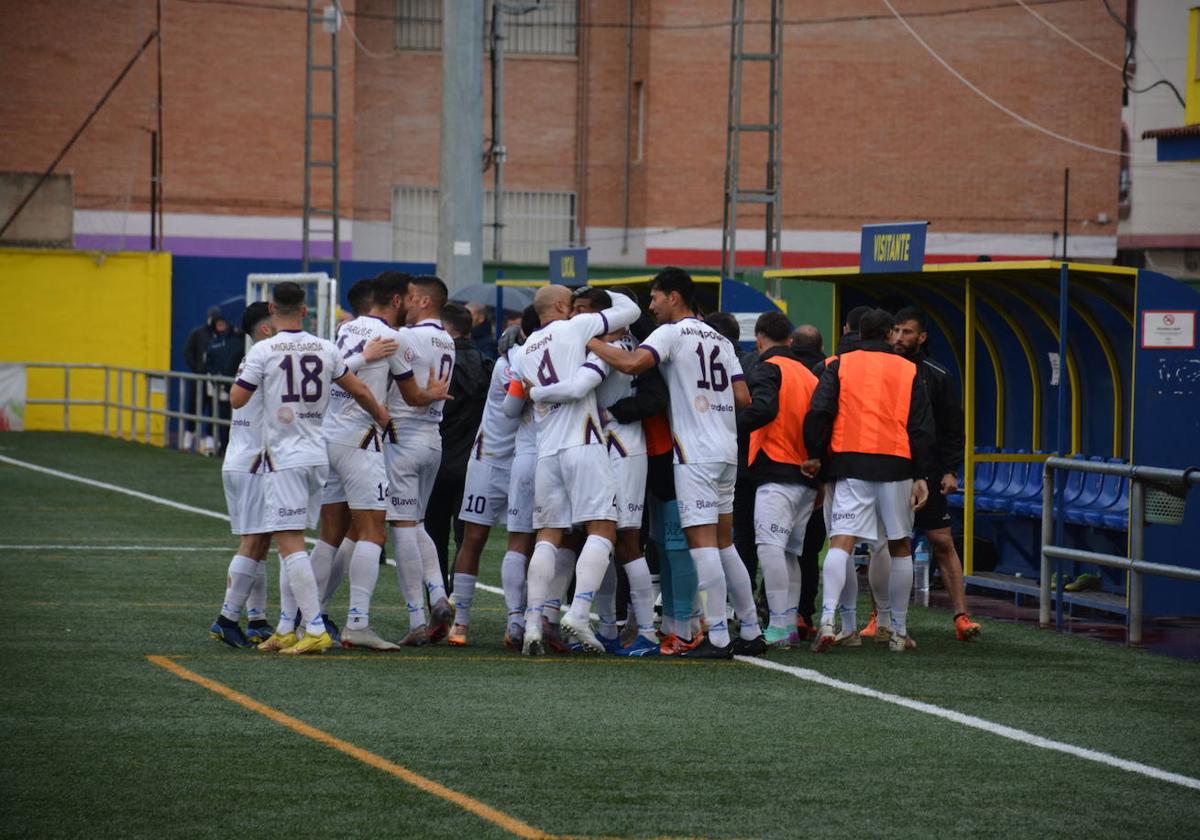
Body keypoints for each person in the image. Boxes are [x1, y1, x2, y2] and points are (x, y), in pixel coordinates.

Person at [586, 267, 765, 659]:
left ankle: (718, 637)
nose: (651, 305)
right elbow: (744, 398)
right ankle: (751, 629)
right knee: (724, 542)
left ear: (674, 297)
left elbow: (633, 365)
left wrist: (592, 343)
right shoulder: (722, 339)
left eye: (654, 297)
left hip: (695, 453)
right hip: (725, 448)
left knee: (701, 544)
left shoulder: (670, 333)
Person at [229, 281, 391, 655]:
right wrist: (382, 417)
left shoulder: (264, 350)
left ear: (271, 309)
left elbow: (238, 399)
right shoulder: (326, 348)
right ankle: (287, 626)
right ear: (305, 310)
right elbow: (361, 391)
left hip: (283, 456)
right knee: (296, 543)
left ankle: (314, 626)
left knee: (290, 545)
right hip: (316, 454)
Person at [509, 284, 641, 655]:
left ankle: (533, 623)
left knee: (548, 535)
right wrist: (606, 292)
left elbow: (516, 400)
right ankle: (579, 612)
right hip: (582, 442)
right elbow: (630, 309)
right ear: (564, 306)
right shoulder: (575, 328)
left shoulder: (521, 353)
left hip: (546, 450)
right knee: (603, 528)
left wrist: (537, 393)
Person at [803, 308, 937, 654]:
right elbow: (922, 426)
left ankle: (830, 618)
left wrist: (816, 453)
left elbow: (820, 410)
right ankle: (897, 630)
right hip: (896, 464)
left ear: (858, 333)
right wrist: (921, 474)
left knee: (841, 542)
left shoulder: (840, 364)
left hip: (849, 461)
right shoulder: (908, 369)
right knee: (898, 545)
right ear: (890, 334)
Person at [310, 272, 408, 651]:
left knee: (331, 534)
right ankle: (357, 623)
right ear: (394, 300)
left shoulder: (345, 331)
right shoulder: (387, 337)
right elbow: (410, 392)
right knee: (373, 532)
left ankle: (311, 612)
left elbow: (331, 373)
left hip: (328, 437)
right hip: (359, 439)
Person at [889, 305, 981, 642]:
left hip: (927, 474)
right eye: (895, 331)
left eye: (907, 332)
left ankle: (961, 617)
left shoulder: (936, 375)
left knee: (942, 541)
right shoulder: (881, 370)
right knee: (888, 545)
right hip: (891, 472)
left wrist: (950, 471)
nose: (899, 338)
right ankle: (880, 618)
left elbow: (953, 428)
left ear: (922, 337)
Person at [445, 310, 531, 647]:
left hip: (521, 462)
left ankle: (515, 621)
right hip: (490, 461)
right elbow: (515, 403)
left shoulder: (518, 360)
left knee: (517, 541)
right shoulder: (508, 365)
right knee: (475, 538)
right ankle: (462, 619)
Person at [738, 310, 821, 648]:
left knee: (770, 547)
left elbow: (764, 409)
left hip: (776, 468)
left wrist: (728, 424)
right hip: (805, 473)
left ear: (759, 341)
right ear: (789, 340)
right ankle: (785, 625)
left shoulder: (767, 368)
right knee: (789, 553)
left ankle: (777, 624)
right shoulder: (808, 373)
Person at [385, 275, 457, 646]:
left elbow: (405, 391)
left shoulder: (404, 338)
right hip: (433, 439)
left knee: (402, 527)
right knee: (417, 524)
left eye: (410, 298)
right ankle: (439, 595)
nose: (404, 304)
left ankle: (416, 615)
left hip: (404, 437)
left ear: (425, 301)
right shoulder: (447, 339)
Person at [209, 302, 275, 648]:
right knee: (253, 543)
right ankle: (226, 618)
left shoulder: (254, 358)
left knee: (261, 543)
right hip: (253, 463)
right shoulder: (266, 357)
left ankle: (258, 619)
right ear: (265, 328)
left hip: (244, 459)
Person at [426, 301, 490, 587]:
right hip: (473, 464)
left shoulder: (434, 366)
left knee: (432, 538)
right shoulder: (488, 365)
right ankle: (458, 604)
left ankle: (438, 600)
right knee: (467, 540)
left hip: (436, 461)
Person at [787, 323, 827, 638]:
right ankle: (804, 614)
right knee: (809, 550)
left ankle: (775, 612)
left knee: (774, 547)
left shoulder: (778, 368)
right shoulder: (826, 371)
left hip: (779, 469)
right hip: (816, 472)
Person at [182, 305, 221, 453]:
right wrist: (197, 369)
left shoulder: (220, 335)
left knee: (212, 407)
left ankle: (210, 438)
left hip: (214, 379)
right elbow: (188, 352)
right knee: (193, 406)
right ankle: (188, 436)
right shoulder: (198, 333)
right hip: (199, 378)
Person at [204, 316, 243, 455]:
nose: (221, 327)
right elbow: (208, 362)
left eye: (223, 324)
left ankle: (232, 446)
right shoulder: (213, 343)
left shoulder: (238, 341)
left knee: (237, 417)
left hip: (238, 384)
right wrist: (215, 375)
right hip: (220, 386)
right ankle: (223, 445)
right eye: (218, 324)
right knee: (222, 416)